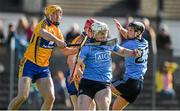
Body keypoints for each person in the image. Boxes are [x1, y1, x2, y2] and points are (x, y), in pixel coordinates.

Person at [8, 4, 77, 110]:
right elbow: (44, 33)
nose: (58, 17)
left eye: (59, 15)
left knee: (50, 98)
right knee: (23, 96)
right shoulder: (43, 24)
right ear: (49, 15)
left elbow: (66, 51)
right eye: (55, 14)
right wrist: (58, 41)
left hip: (43, 68)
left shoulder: (57, 31)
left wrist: (78, 49)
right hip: (29, 64)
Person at [68, 18, 141, 110]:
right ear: (94, 33)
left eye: (104, 32)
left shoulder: (110, 43)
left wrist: (132, 52)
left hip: (103, 84)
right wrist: (73, 73)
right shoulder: (87, 47)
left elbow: (122, 51)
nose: (103, 35)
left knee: (104, 106)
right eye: (100, 32)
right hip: (87, 83)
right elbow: (77, 62)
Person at [111, 19, 148, 110]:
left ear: (138, 32)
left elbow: (113, 49)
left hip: (130, 83)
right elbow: (129, 35)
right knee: (115, 109)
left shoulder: (129, 44)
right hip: (138, 85)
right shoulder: (144, 42)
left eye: (131, 30)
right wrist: (120, 29)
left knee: (103, 87)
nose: (128, 32)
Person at [66, 35, 96, 110]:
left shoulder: (91, 40)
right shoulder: (81, 40)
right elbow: (71, 60)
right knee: (82, 106)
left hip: (80, 74)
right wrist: (81, 74)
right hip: (75, 75)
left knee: (87, 106)